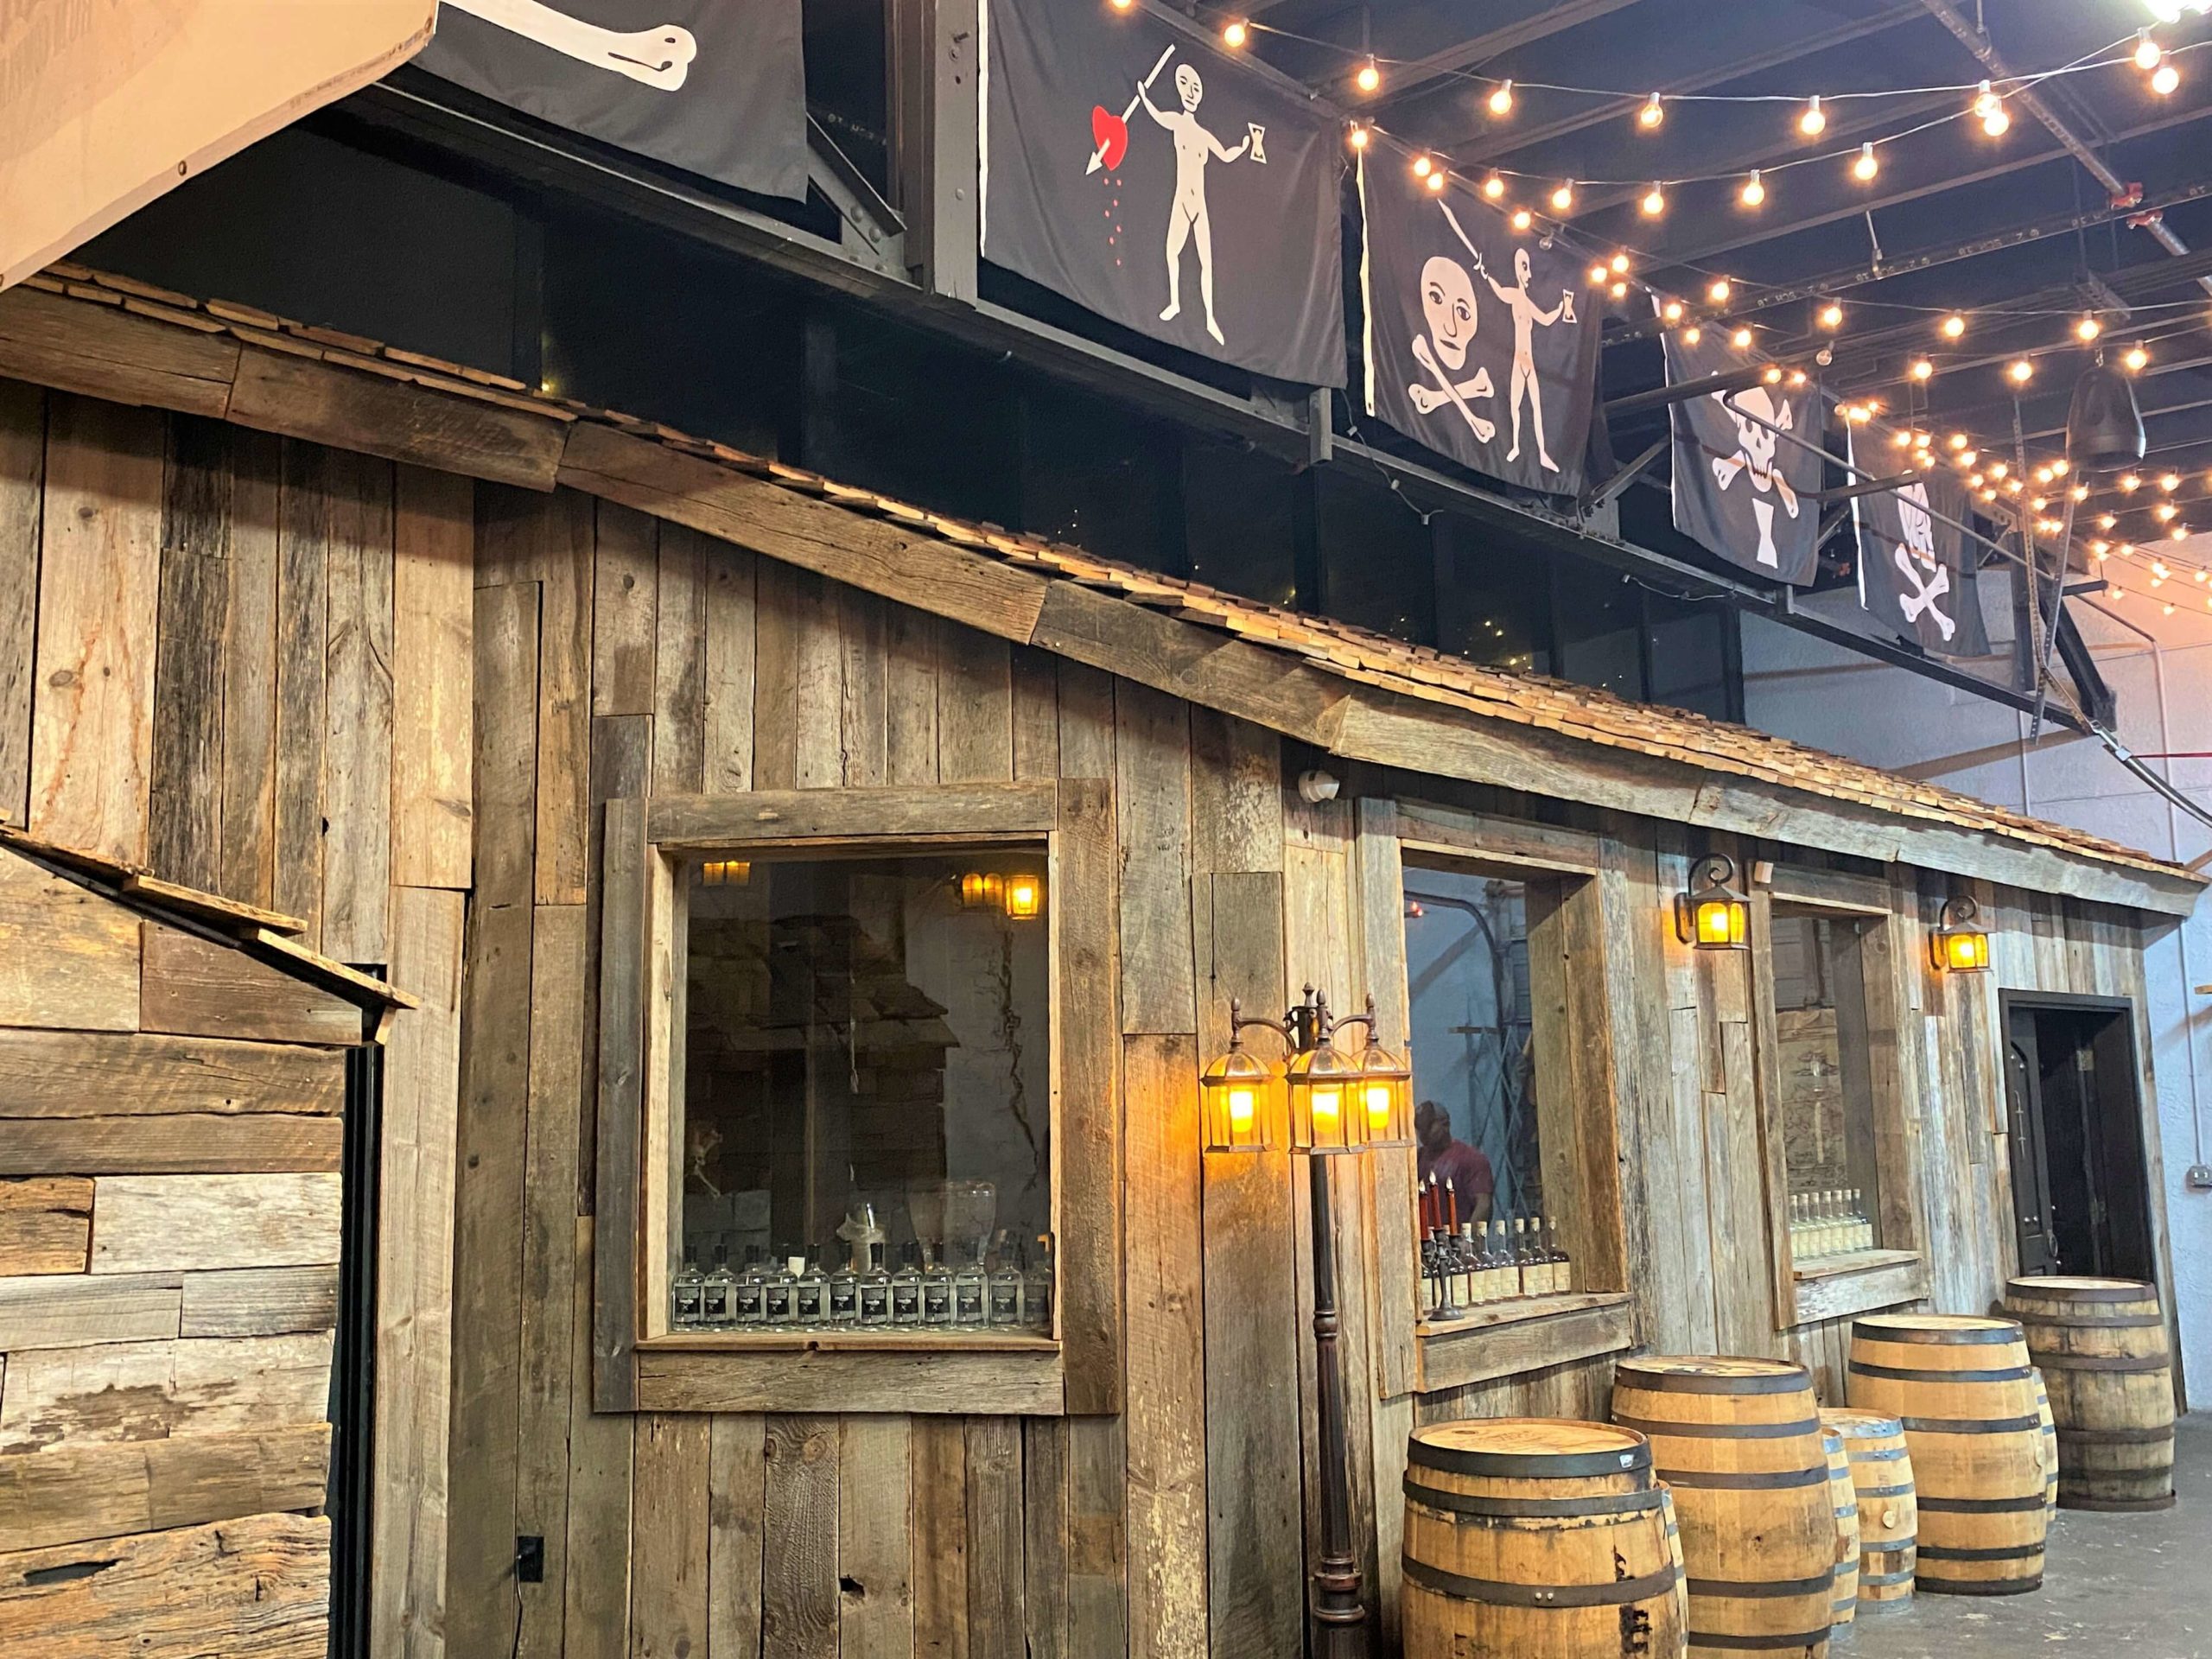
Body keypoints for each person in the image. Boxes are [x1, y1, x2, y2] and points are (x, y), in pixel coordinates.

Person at [1137, 62, 1249, 346]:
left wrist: (1244, 147)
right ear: (1178, 89)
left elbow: (1224, 155)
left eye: (1196, 88)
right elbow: (1158, 117)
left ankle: (1210, 317)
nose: (1191, 92)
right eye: (1185, 85)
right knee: (1171, 252)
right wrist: (1143, 98)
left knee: (1205, 262)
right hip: (1181, 198)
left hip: (1199, 203)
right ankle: (1174, 302)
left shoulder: (1203, 135)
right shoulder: (1177, 122)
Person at [1477, 245, 1568, 473]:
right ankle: (1516, 446)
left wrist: (1561, 308)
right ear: (1519, 270)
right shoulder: (1515, 296)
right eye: (1525, 268)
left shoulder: (1527, 302)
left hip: (1530, 362)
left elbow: (1546, 320)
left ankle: (1542, 453)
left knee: (1536, 407)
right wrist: (1484, 273)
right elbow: (1498, 291)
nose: (1529, 274)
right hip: (1519, 359)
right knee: (1515, 405)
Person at [1415, 1100, 1494, 1225]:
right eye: (1419, 1128)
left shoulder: (1470, 1159)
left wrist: (1466, 1240)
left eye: (1428, 1127)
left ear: (1445, 1125)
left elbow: (1483, 1205)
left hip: (1456, 1239)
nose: (1423, 1134)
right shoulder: (1417, 1158)